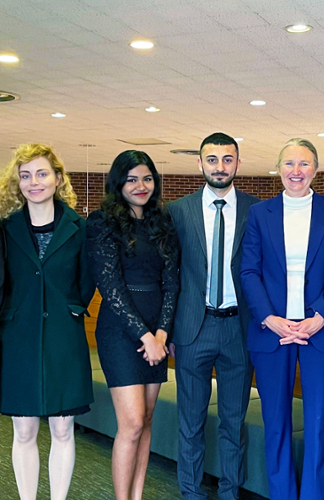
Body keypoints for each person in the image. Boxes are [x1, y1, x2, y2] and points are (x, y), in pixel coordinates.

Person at [240, 138, 324, 500]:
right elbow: (249, 271)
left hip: (320, 331)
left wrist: (321, 315)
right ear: (278, 169)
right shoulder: (260, 214)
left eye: (304, 164)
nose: (296, 171)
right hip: (274, 332)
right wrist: (270, 318)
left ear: (315, 169)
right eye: (289, 164)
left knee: (319, 425)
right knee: (276, 424)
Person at [167, 132, 259, 500]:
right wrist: (168, 327)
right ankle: (190, 492)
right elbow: (169, 273)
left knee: (234, 422)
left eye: (227, 159)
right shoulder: (177, 211)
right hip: (193, 328)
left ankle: (229, 492)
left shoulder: (258, 210)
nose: (219, 167)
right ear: (200, 163)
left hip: (240, 329)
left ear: (237, 162)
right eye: (212, 159)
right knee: (190, 422)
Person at [0, 143, 94, 500]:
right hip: (18, 337)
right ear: (18, 183)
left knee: (63, 429)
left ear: (57, 178)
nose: (33, 182)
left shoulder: (79, 227)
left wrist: (69, 308)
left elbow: (86, 281)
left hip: (63, 337)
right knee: (22, 432)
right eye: (25, 176)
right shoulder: (5, 228)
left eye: (41, 174)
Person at [86, 150, 178, 500]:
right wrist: (145, 335)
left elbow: (172, 281)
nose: (141, 186)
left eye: (147, 178)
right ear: (118, 182)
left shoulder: (162, 221)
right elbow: (110, 287)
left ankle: (137, 496)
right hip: (121, 332)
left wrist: (163, 332)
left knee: (148, 419)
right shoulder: (102, 221)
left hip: (157, 329)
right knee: (133, 422)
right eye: (132, 179)